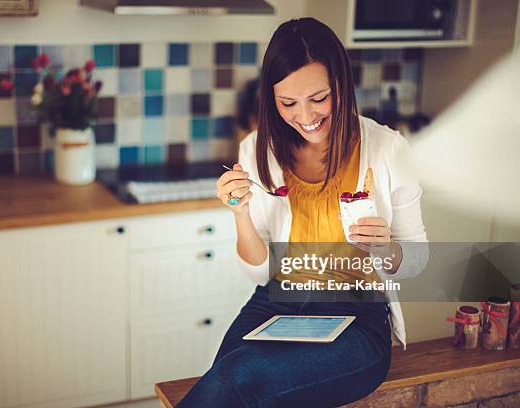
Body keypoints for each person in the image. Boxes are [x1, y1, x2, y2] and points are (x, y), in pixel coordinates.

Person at [177, 17, 427, 407]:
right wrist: (240, 213)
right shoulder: (256, 149)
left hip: (358, 318)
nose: (305, 115)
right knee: (229, 371)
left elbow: (417, 259)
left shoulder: (388, 149)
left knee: (238, 378)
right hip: (277, 301)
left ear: (340, 86)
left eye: (319, 98)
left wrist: (388, 247)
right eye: (288, 103)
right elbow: (260, 271)